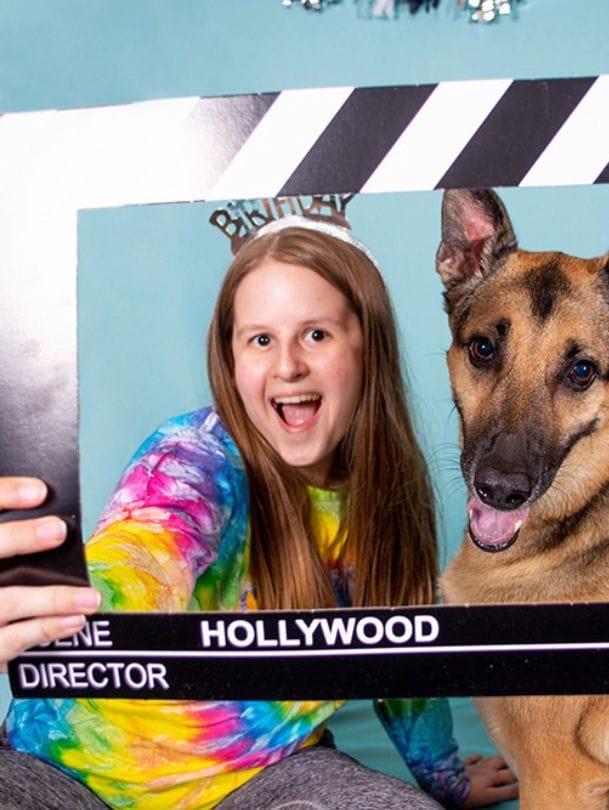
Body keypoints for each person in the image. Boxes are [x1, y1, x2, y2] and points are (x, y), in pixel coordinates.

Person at [0, 211, 518, 809]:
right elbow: (135, 558)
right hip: (66, 775)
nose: (287, 365)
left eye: (316, 334)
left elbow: (399, 659)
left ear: (367, 347)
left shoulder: (389, 492)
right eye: (261, 339)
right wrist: (65, 600)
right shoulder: (193, 459)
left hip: (262, 778)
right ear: (232, 358)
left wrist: (444, 779)